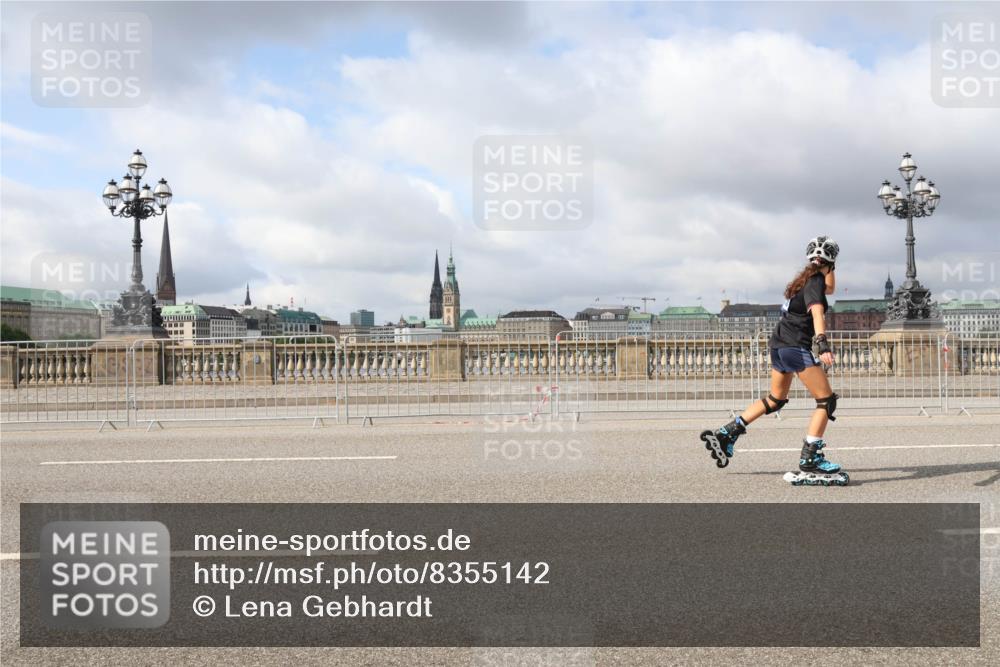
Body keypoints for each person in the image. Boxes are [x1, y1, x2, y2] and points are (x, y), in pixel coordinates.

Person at [700, 236, 847, 485]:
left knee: (775, 399)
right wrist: (822, 343)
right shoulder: (815, 283)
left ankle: (728, 432)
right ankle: (810, 458)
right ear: (829, 264)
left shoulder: (803, 282)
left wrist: (830, 267)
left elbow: (830, 289)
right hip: (794, 347)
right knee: (826, 401)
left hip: (778, 346)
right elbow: (818, 312)